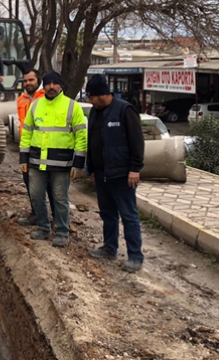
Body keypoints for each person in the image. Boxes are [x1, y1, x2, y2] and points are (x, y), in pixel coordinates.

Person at [19, 72, 87, 248]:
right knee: (35, 195)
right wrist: (23, 158)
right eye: (47, 84)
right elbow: (27, 133)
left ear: (60, 85)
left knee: (60, 198)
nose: (51, 87)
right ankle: (43, 227)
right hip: (36, 162)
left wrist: (78, 164)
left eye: (55, 84)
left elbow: (81, 136)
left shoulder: (72, 107)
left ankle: (62, 232)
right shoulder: (36, 106)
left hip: (61, 165)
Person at [85, 74, 145, 273]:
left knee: (129, 216)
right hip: (102, 174)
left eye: (91, 97)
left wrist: (135, 169)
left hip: (122, 175)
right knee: (107, 214)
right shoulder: (95, 112)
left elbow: (137, 142)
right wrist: (91, 168)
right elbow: (91, 140)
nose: (90, 101)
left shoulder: (124, 110)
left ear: (102, 94)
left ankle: (135, 256)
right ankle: (109, 248)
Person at [16, 68, 55, 227]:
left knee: (51, 185)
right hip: (27, 147)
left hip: (45, 147)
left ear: (38, 80)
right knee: (30, 183)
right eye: (25, 81)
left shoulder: (45, 98)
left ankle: (57, 218)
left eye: (31, 80)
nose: (28, 83)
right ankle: (36, 214)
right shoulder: (21, 99)